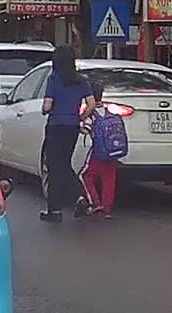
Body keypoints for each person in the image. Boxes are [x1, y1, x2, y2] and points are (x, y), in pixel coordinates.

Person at [39, 44, 95, 223]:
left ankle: (70, 201)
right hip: (72, 127)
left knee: (56, 166)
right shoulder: (82, 81)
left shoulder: (54, 79)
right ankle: (61, 206)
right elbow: (91, 104)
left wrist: (45, 109)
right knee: (62, 164)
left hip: (55, 126)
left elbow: (47, 105)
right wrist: (80, 117)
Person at [76, 80, 120, 219]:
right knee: (109, 179)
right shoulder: (109, 112)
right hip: (112, 152)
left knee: (85, 175)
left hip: (97, 152)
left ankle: (94, 202)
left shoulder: (92, 114)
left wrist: (78, 125)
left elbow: (86, 130)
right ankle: (107, 209)